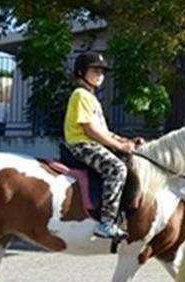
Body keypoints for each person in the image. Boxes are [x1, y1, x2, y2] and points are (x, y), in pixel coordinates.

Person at [62, 52, 144, 239]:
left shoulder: (91, 98)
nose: (100, 74)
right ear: (82, 72)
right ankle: (106, 222)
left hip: (91, 143)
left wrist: (125, 141)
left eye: (102, 71)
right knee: (116, 169)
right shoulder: (81, 94)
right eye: (95, 70)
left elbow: (104, 131)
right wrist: (119, 146)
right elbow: (90, 129)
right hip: (81, 144)